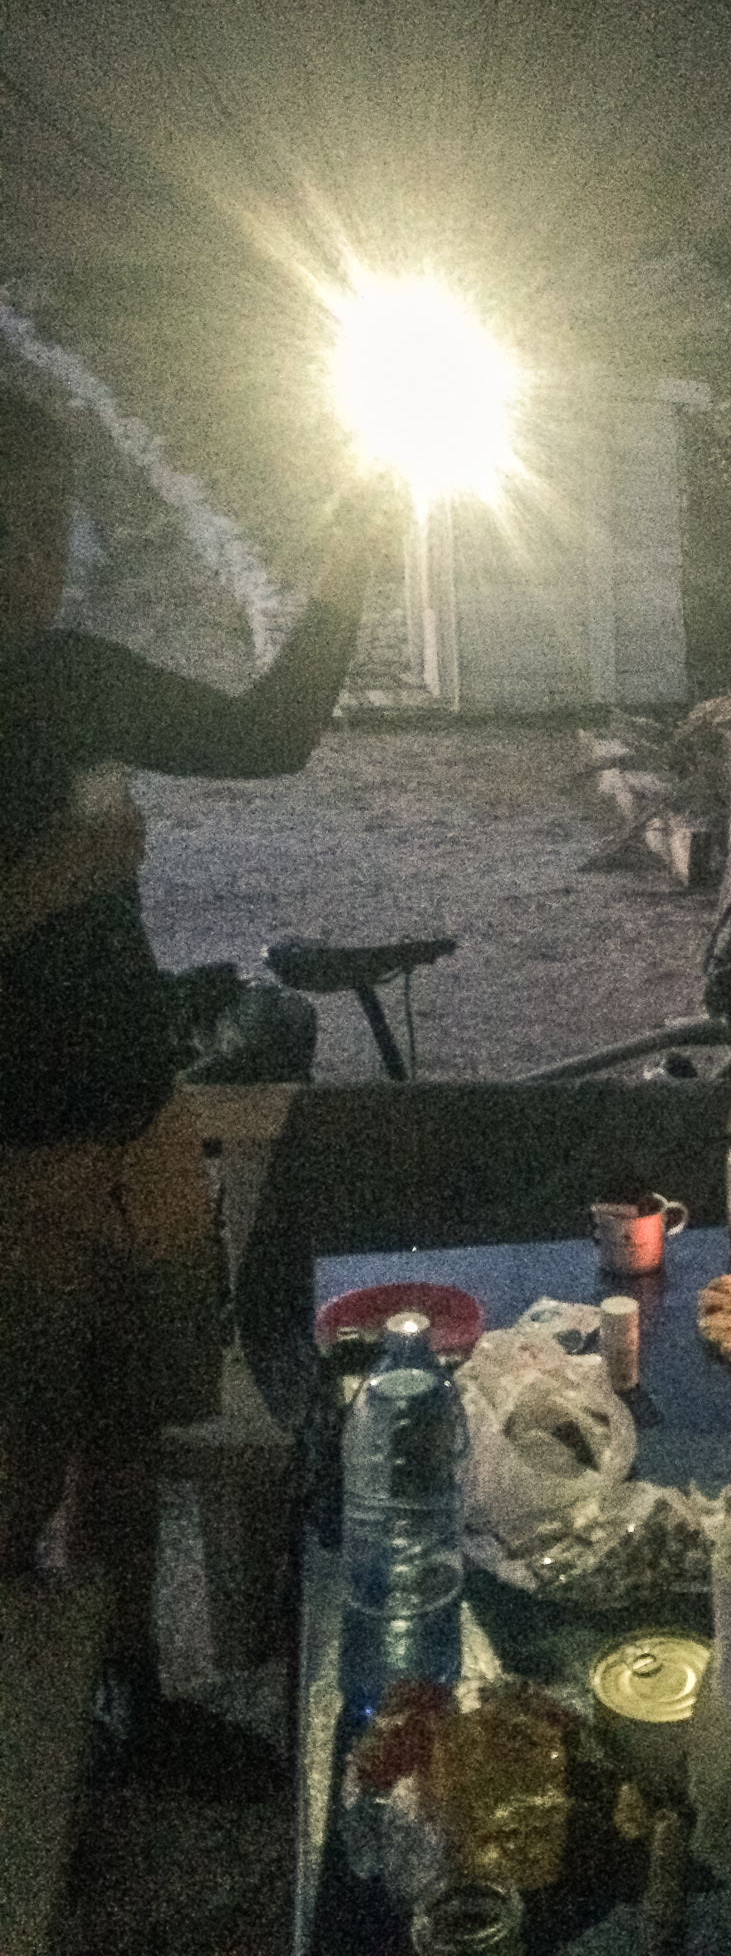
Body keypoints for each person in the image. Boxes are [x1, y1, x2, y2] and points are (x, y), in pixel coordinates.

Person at [0, 380, 393, 1785]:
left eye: (46, 524)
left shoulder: (76, 677)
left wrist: (347, 563)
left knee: (130, 1444)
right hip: (14, 1180)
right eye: (4, 527)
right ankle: (30, 1771)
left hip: (145, 1135)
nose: (32, 560)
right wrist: (45, 883)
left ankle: (129, 1703)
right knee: (11, 1480)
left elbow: (268, 735)